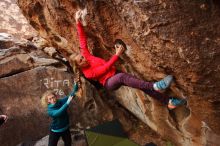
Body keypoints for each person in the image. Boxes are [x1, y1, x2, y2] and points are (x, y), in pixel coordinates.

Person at [70, 10, 186, 109]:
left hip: (114, 73)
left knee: (139, 84)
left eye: (82, 57)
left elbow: (82, 39)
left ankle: (168, 102)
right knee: (123, 77)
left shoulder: (85, 54)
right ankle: (155, 86)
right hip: (109, 82)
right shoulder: (88, 73)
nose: (84, 59)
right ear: (79, 66)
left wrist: (77, 22)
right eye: (81, 60)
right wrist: (117, 54)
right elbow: (104, 69)